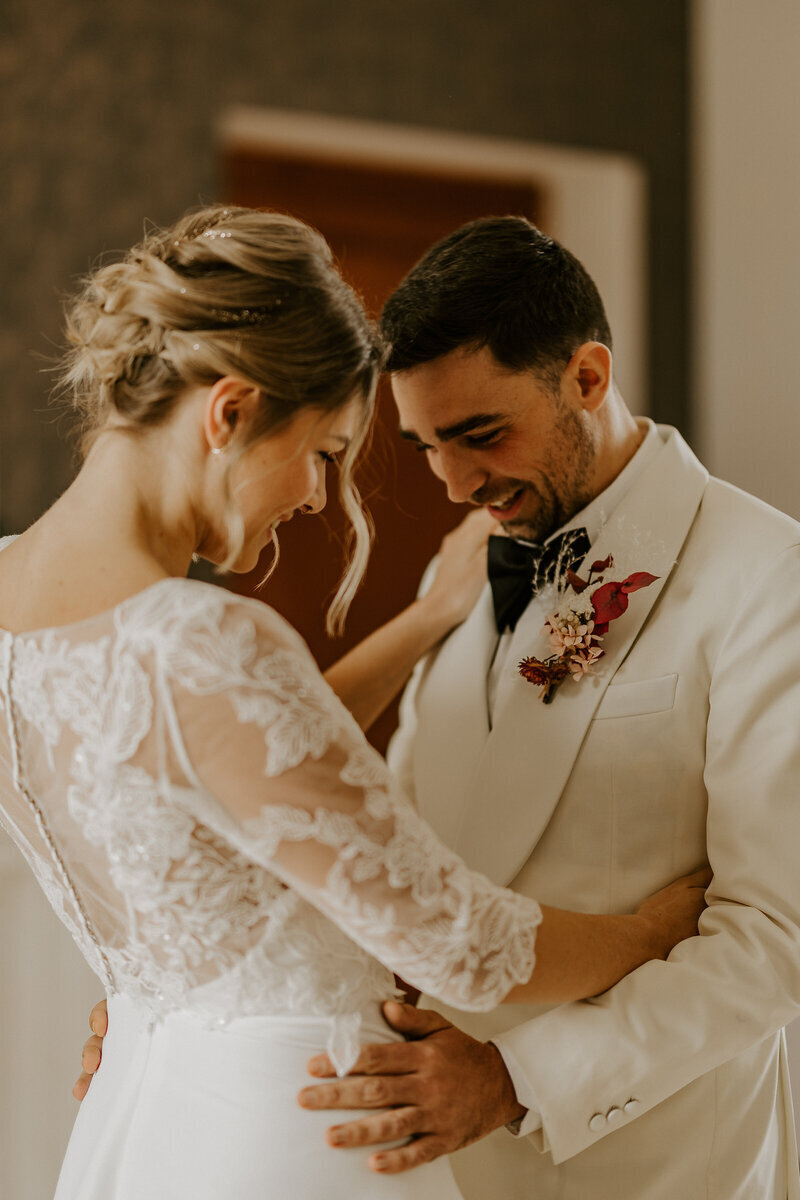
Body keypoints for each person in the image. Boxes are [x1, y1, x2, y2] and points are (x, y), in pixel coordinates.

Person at [0, 205, 705, 1200]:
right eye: (326, 453)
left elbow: (226, 763)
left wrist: (423, 623)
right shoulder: (202, 645)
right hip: (298, 1135)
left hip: (146, 1117)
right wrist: (652, 932)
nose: (319, 499)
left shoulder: (14, 609)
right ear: (228, 413)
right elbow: (457, 943)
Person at [284, 217, 800, 1200]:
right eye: (427, 446)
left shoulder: (764, 576)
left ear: (588, 378)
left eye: (480, 435)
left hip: (645, 1157)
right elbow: (401, 846)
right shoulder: (467, 567)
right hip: (434, 1156)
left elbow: (774, 941)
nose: (454, 484)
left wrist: (518, 1079)